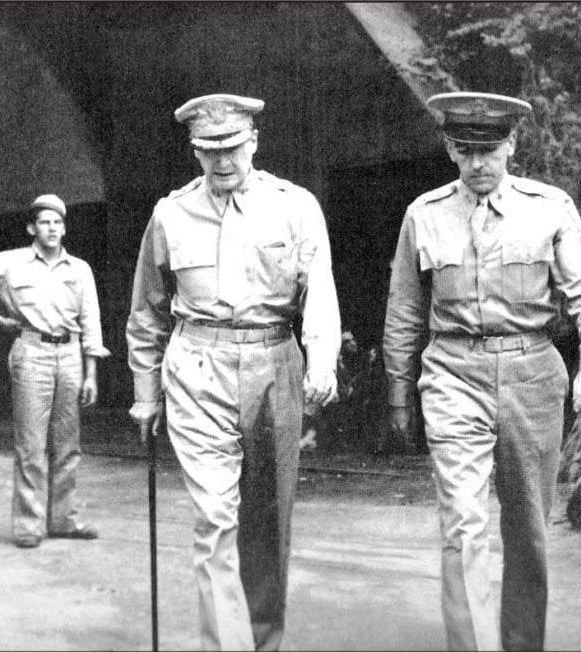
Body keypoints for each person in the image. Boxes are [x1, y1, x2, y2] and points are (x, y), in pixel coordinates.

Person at [382, 92, 581, 651]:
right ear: (449, 148)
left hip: (533, 373)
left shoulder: (549, 208)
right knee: (463, 523)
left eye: (490, 150)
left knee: (527, 529)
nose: (479, 163)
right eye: (465, 151)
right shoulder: (425, 215)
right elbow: (405, 310)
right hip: (452, 373)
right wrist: (397, 388)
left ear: (511, 144)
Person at [127, 93, 340, 651]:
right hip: (198, 368)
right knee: (216, 519)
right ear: (194, 151)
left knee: (269, 523)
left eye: (233, 149)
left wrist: (321, 358)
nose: (222, 162)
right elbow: (147, 311)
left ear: (254, 142)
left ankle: (264, 638)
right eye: (208, 152)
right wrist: (146, 394)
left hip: (275, 362)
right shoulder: (169, 214)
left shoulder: (295, 207)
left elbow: (319, 291)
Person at [0, 193, 109, 548]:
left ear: (64, 228)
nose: (51, 229)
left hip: (70, 355)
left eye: (57, 222)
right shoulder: (11, 263)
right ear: (31, 228)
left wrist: (92, 374)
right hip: (31, 353)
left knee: (68, 445)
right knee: (31, 446)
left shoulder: (80, 269)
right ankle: (28, 526)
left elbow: (91, 322)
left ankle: (63, 520)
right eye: (44, 223)